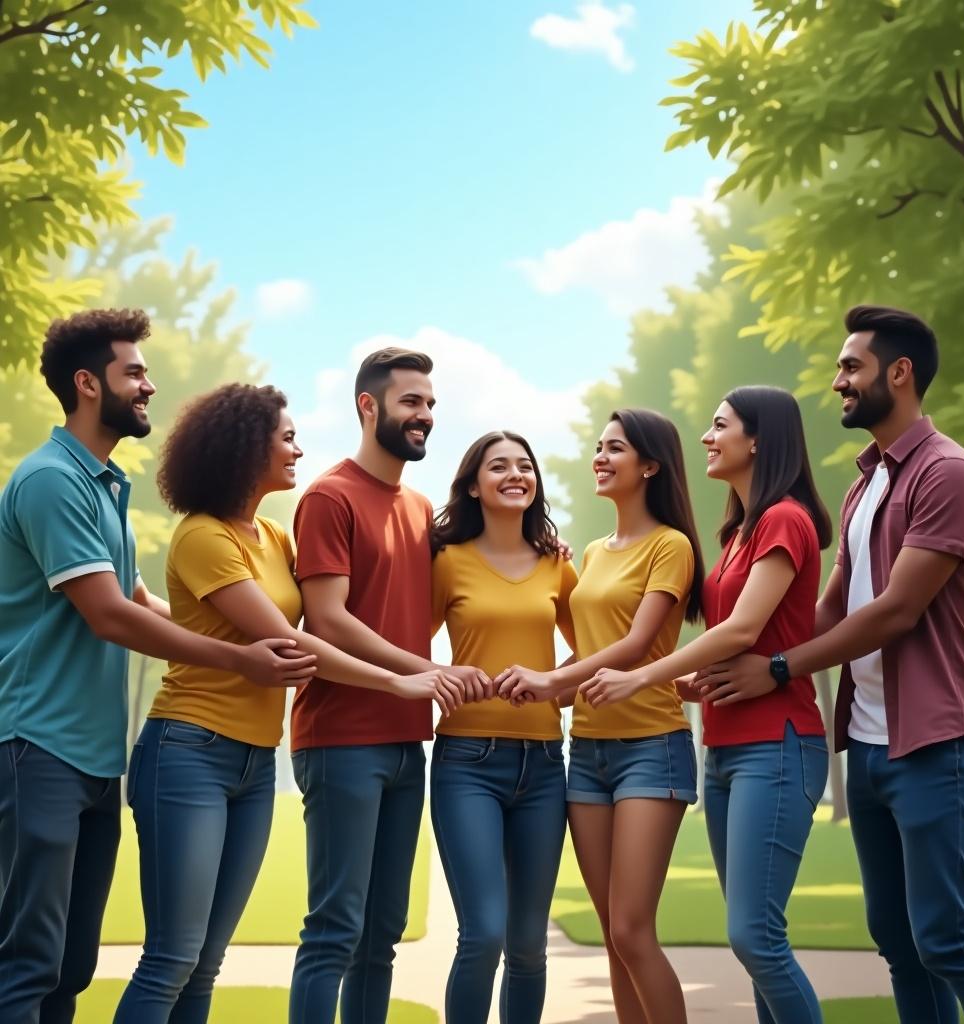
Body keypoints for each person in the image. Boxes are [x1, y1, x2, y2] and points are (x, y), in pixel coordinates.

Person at [698, 307, 964, 1024]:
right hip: (871, 745)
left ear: (898, 374)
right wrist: (740, 662)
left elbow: (894, 612)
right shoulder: (866, 484)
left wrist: (779, 669)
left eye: (852, 367)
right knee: (901, 944)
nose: (838, 381)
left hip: (936, 739)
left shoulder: (950, 474)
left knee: (948, 936)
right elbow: (837, 606)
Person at [0, 310, 314, 1024]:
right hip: (35, 744)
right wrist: (240, 658)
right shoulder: (52, 480)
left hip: (91, 752)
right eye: (133, 372)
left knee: (72, 966)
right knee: (29, 963)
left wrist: (221, 639)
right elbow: (108, 613)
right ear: (88, 384)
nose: (149, 385)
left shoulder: (103, 484)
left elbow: (139, 599)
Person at [113, 384, 459, 1023]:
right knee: (172, 959)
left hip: (251, 760)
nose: (299, 449)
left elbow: (239, 620)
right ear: (248, 449)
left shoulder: (271, 535)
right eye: (287, 438)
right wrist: (399, 680)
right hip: (188, 748)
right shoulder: (203, 536)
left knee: (205, 962)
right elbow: (289, 637)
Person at [577, 388, 833, 1024]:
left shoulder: (784, 519)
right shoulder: (740, 531)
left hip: (778, 744)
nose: (707, 438)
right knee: (754, 944)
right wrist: (692, 684)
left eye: (720, 426)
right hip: (724, 748)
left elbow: (743, 631)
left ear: (759, 441)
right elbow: (736, 647)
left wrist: (641, 679)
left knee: (755, 936)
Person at [288, 347, 489, 1024]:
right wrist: (423, 671)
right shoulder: (328, 496)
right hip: (341, 739)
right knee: (335, 930)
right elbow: (328, 617)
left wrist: (546, 544)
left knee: (382, 935)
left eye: (430, 404)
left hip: (408, 742)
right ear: (367, 406)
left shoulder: (420, 506)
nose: (425, 416)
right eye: (411, 402)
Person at [499, 408, 703, 1024]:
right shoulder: (590, 551)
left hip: (652, 746)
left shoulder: (671, 546)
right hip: (586, 754)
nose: (601, 457)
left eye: (616, 448)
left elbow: (637, 644)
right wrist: (538, 689)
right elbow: (591, 646)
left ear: (650, 465)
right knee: (615, 940)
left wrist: (554, 679)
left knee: (633, 928)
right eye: (599, 447)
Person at [430, 430, 577, 1024]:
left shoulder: (557, 565)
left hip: (544, 764)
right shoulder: (445, 561)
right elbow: (408, 652)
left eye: (525, 466)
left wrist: (551, 683)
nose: (515, 474)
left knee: (527, 945)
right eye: (498, 466)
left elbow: (593, 651)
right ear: (473, 484)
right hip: (467, 761)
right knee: (483, 933)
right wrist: (445, 675)